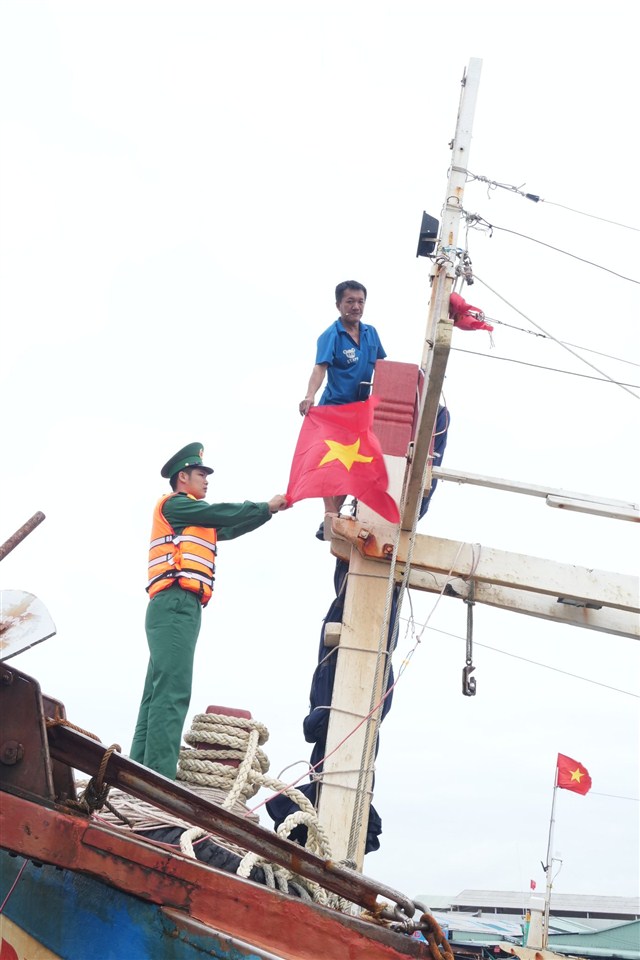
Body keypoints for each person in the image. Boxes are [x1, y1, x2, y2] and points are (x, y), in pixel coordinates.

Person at [130, 442, 289, 779]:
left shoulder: (193, 519)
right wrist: (265, 504)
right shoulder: (176, 505)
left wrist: (267, 513)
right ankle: (158, 776)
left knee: (157, 691)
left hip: (175, 607)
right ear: (182, 477)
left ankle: (138, 769)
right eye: (200, 474)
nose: (206, 479)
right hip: (176, 604)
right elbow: (221, 513)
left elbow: (229, 526)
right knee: (173, 690)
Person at [298, 281, 386, 536]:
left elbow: (383, 367)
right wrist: (309, 396)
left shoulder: (371, 333)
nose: (356, 306)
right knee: (331, 460)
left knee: (354, 463)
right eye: (350, 301)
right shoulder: (331, 336)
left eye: (360, 301)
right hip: (334, 410)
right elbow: (319, 368)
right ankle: (329, 513)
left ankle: (333, 515)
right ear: (338, 305)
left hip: (361, 412)